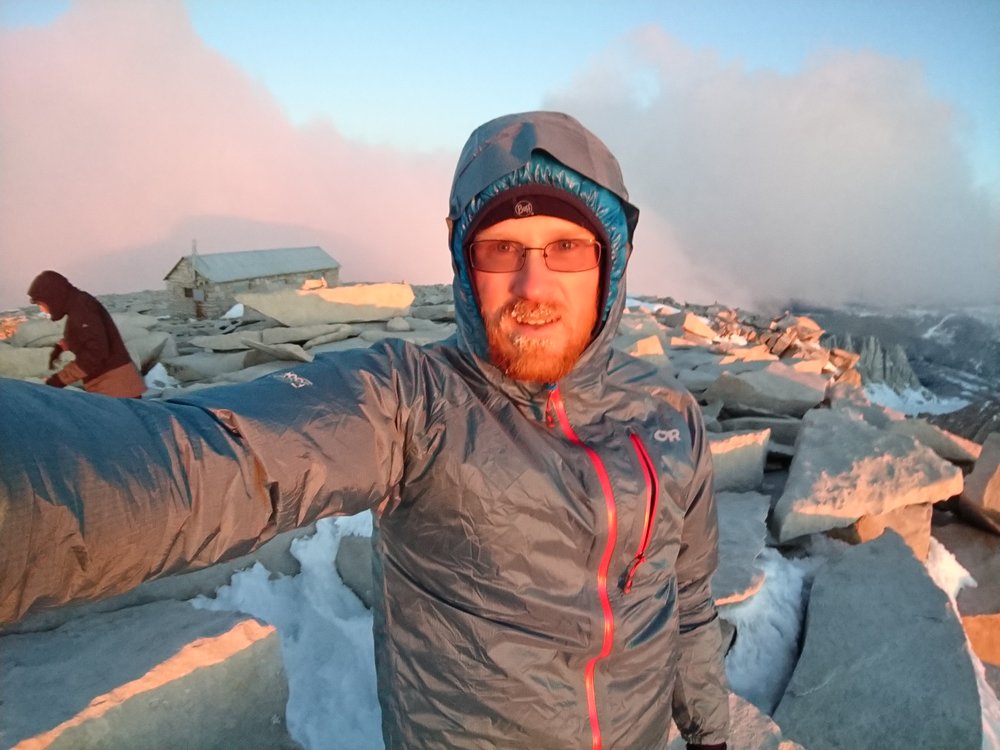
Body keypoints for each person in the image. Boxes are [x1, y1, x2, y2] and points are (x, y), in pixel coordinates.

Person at [1, 112, 729, 749]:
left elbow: (688, 598)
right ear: (465, 266)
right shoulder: (415, 400)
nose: (532, 286)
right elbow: (218, 463)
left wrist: (709, 731)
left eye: (566, 248)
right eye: (501, 248)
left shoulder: (666, 414)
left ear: (611, 262)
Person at [27, 270, 146, 398]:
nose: (42, 309)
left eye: (41, 303)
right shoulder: (78, 305)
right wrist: (61, 347)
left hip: (116, 387)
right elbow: (85, 334)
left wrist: (59, 379)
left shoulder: (82, 309)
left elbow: (96, 352)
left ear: (53, 298)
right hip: (112, 384)